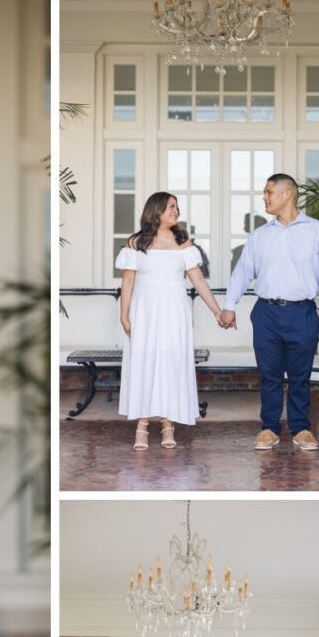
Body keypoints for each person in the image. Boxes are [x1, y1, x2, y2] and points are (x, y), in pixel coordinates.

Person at [219, 173, 319, 452]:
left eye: (268, 192)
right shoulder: (260, 236)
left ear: (287, 194)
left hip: (303, 314)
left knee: (300, 376)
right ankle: (269, 429)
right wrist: (229, 306)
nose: (264, 197)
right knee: (270, 374)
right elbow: (242, 272)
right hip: (266, 313)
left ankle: (301, 429)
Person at [116, 192, 224, 450]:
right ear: (156, 210)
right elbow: (128, 281)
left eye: (177, 206)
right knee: (144, 361)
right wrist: (124, 315)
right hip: (145, 310)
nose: (176, 211)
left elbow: (198, 280)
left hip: (175, 309)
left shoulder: (183, 241)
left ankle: (168, 423)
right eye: (170, 206)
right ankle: (142, 424)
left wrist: (217, 311)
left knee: (171, 362)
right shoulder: (136, 242)